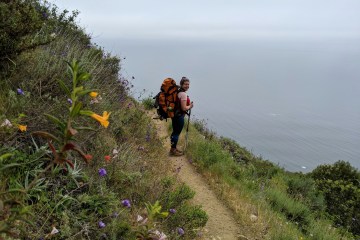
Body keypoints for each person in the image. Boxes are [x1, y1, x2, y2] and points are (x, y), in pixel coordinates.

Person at [170, 77, 194, 156]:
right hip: (179, 116)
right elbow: (184, 108)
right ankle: (173, 150)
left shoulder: (178, 92)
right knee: (176, 133)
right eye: (185, 84)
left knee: (174, 132)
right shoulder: (183, 94)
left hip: (174, 115)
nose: (187, 86)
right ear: (181, 84)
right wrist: (190, 106)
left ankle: (173, 148)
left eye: (188, 84)